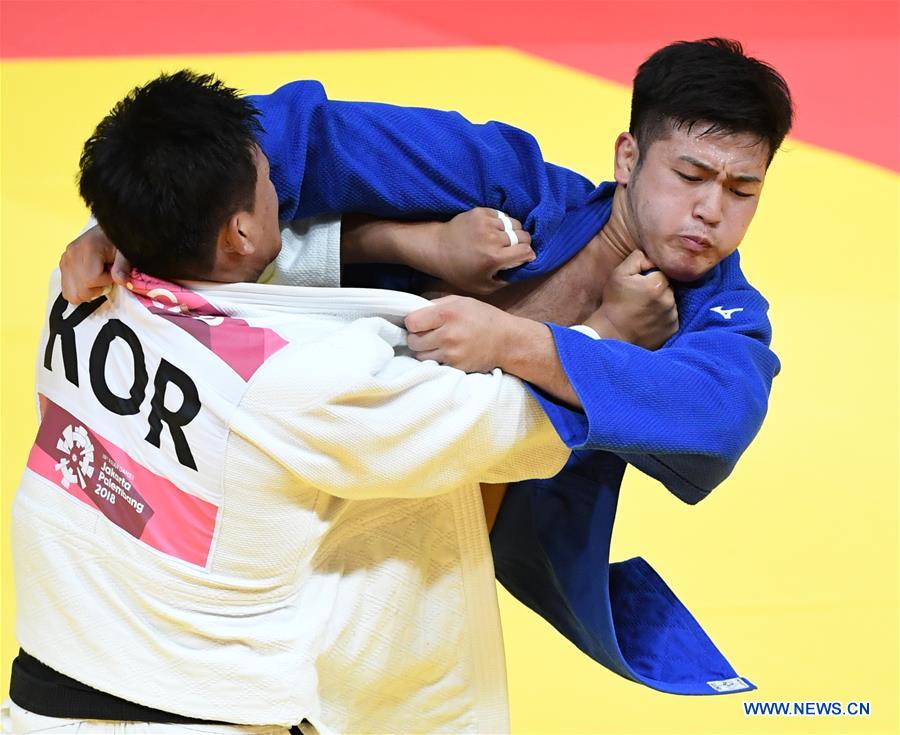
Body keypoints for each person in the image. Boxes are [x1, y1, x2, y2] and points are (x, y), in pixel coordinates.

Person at [55, 38, 793, 698]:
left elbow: (720, 409)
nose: (709, 211)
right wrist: (129, 219)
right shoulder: (509, 181)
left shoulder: (719, 312)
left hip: (414, 570)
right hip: (270, 499)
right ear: (628, 157)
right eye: (691, 174)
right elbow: (308, 131)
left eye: (741, 191)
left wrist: (518, 342)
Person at [6, 72, 595, 735]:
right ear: (238, 233)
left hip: (41, 702)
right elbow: (506, 427)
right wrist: (609, 334)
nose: (280, 192)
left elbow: (252, 279)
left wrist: (416, 244)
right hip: (198, 717)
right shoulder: (289, 377)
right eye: (267, 184)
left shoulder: (75, 284)